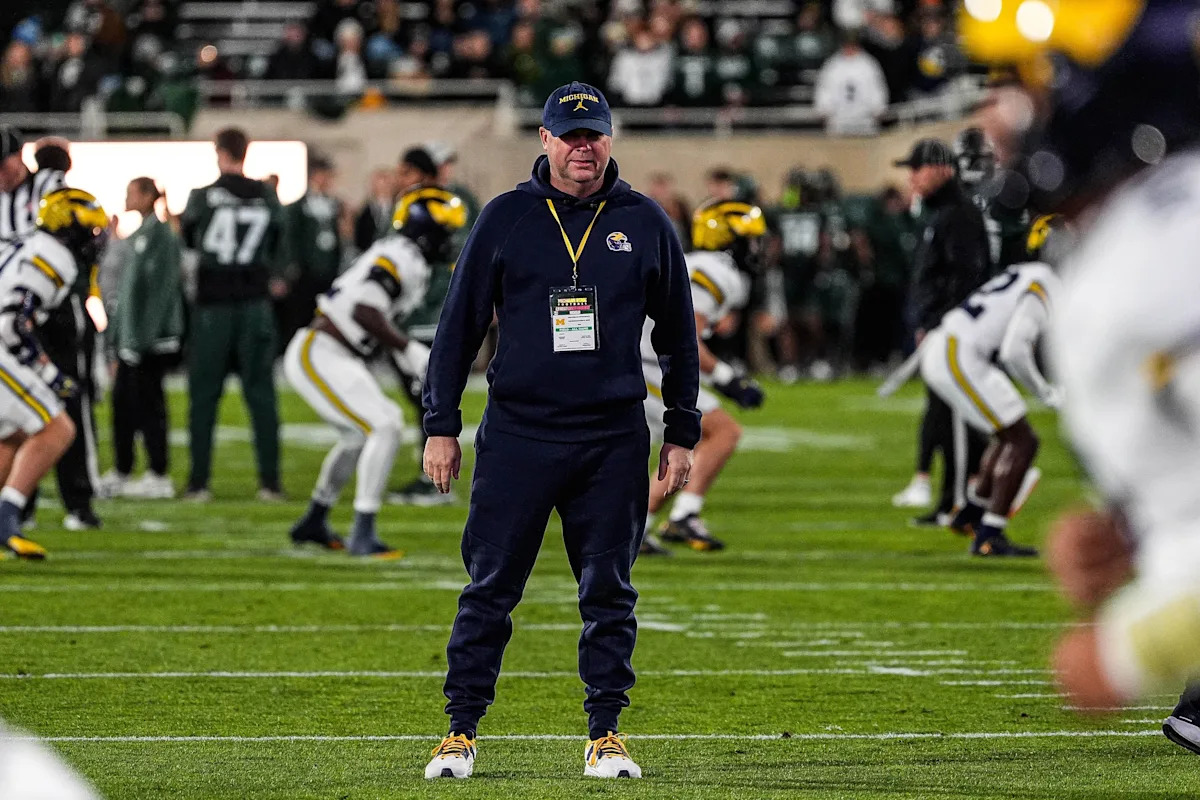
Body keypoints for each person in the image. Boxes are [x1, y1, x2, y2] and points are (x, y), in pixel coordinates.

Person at [420, 81, 700, 780]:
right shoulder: (505, 217)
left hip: (611, 439)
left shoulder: (644, 221)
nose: (583, 148)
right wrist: (441, 425)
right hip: (518, 434)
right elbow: (457, 327)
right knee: (489, 588)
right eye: (570, 136)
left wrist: (682, 430)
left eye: (594, 135)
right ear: (544, 139)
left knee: (609, 593)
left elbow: (678, 335)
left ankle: (606, 733)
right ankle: (459, 731)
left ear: (610, 138)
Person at [961, 0, 1200, 744]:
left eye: (1017, 85)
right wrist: (1147, 522)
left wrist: (1130, 650)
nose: (993, 123)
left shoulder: (1157, 262)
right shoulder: (1154, 231)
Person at [285, 186, 465, 556]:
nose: (449, 241)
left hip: (340, 352)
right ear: (424, 232)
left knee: (358, 436)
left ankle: (314, 520)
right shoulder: (402, 255)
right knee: (384, 426)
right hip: (321, 349)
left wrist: (407, 362)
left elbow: (376, 319)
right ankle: (363, 532)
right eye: (444, 232)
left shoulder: (406, 257)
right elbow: (365, 311)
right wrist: (409, 350)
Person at [917, 216, 1065, 557]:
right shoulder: (1047, 282)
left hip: (952, 348)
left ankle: (970, 514)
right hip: (958, 353)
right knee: (1023, 441)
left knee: (1009, 435)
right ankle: (989, 535)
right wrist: (1045, 392)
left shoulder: (1025, 272)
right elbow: (1015, 350)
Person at [641, 198, 766, 555]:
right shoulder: (713, 270)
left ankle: (640, 528)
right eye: (750, 239)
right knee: (722, 432)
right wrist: (729, 379)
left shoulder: (701, 265)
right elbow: (686, 339)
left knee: (690, 443)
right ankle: (683, 516)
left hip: (651, 363)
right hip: (649, 365)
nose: (756, 248)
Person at [0, 189, 109, 558]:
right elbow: (13, 323)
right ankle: (6, 519)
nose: (95, 240)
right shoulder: (54, 256)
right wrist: (48, 375)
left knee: (12, 435)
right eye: (90, 231)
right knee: (57, 428)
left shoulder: (29, 244)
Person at [180, 128, 286, 501]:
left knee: (203, 397)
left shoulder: (202, 196)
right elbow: (278, 240)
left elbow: (189, 239)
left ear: (220, 152)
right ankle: (270, 483)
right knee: (262, 396)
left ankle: (198, 482)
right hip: (255, 304)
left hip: (213, 306)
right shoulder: (266, 195)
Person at [893, 138, 991, 527]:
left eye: (917, 169)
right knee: (944, 416)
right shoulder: (940, 214)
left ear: (940, 170)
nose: (912, 178)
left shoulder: (958, 215)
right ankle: (952, 498)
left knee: (958, 420)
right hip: (942, 328)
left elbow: (966, 275)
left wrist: (941, 322)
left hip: (955, 332)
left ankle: (963, 501)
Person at [105, 177, 183, 499]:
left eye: (131, 193)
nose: (126, 198)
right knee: (122, 405)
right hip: (132, 340)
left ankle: (158, 473)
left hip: (149, 342)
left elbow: (161, 292)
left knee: (150, 406)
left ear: (148, 196)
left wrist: (140, 339)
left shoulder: (161, 236)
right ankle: (123, 469)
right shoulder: (139, 235)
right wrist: (119, 337)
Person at [278, 154, 344, 348]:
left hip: (328, 272)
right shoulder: (299, 207)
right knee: (301, 316)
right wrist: (293, 266)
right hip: (306, 273)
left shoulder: (334, 206)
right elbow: (291, 237)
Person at [813, 31, 889, 136]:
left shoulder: (869, 64)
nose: (849, 48)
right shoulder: (832, 65)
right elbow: (824, 88)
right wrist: (823, 108)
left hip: (865, 119)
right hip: (839, 119)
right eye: (847, 45)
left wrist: (878, 107)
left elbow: (877, 87)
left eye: (852, 45)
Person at [353, 167, 396, 253]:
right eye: (380, 184)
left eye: (387, 184)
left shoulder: (398, 208)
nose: (384, 187)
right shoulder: (365, 211)